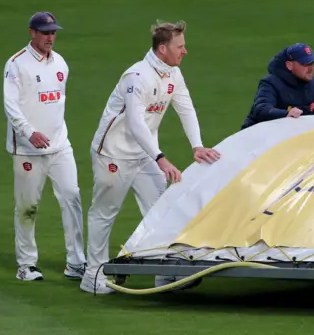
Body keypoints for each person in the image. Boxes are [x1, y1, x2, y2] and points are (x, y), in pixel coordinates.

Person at [80, 20, 221, 294]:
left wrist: (197, 145)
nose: (185, 51)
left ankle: (162, 273)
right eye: (180, 46)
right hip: (114, 154)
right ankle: (92, 276)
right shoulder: (137, 77)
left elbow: (186, 108)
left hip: (145, 155)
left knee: (160, 209)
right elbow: (135, 122)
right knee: (104, 213)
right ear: (162, 49)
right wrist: (160, 158)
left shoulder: (172, 74)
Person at [3, 12, 86, 282]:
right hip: (28, 150)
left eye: (53, 32)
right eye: (45, 32)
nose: (50, 37)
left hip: (60, 146)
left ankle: (76, 263)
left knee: (72, 196)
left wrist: (52, 134)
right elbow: (11, 106)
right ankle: (26, 265)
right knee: (28, 206)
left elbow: (55, 104)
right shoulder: (16, 65)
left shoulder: (60, 63)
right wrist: (30, 132)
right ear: (32, 33)